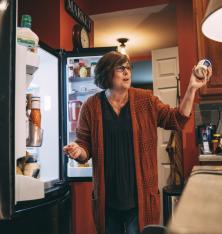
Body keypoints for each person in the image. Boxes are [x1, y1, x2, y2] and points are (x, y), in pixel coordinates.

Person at [63, 51, 212, 234]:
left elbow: (177, 120)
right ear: (107, 73)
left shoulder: (145, 100)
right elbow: (85, 146)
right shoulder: (91, 106)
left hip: (141, 200)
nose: (127, 72)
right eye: (120, 68)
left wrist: (191, 88)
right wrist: (79, 151)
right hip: (107, 201)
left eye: (128, 67)